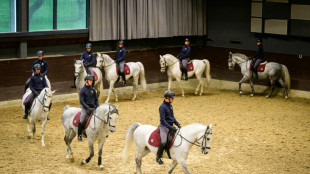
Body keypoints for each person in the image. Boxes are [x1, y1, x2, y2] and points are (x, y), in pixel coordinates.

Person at [156, 90, 181, 165]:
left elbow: (172, 117)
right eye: (172, 98)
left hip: (170, 126)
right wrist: (170, 127)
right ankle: (158, 156)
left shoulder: (170, 105)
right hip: (164, 126)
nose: (173, 99)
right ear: (168, 98)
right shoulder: (162, 107)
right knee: (163, 141)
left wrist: (178, 124)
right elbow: (162, 120)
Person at [77, 74, 99, 141]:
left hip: (94, 107)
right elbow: (82, 101)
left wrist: (97, 105)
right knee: (82, 120)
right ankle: (79, 135)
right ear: (86, 81)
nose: (91, 82)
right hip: (86, 108)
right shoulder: (82, 90)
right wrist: (87, 108)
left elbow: (96, 99)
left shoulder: (93, 89)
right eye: (90, 80)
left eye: (91, 80)